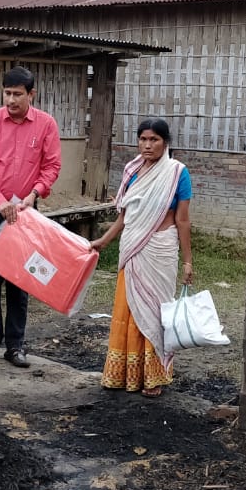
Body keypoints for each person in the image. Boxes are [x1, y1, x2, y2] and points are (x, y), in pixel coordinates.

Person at [89, 118, 193, 398]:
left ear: (165, 142)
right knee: (129, 309)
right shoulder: (132, 171)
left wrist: (188, 261)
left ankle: (152, 377)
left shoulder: (177, 173)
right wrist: (104, 240)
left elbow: (182, 220)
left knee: (156, 311)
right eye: (143, 139)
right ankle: (122, 374)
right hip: (133, 247)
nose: (147, 145)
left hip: (160, 249)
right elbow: (125, 216)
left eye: (154, 140)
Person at [0, 66, 62, 368]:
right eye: (7, 93)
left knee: (20, 278)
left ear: (31, 94)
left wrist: (33, 194)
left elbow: (52, 166)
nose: (11, 100)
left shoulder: (47, 125)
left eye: (17, 94)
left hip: (25, 214)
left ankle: (16, 345)